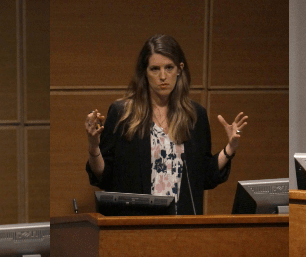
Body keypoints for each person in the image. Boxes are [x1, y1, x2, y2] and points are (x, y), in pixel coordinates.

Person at [85, 34, 248, 215]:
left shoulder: (194, 116)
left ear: (179, 69)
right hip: (135, 227)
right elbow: (104, 176)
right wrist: (93, 146)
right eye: (155, 69)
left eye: (169, 68)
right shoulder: (123, 114)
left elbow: (204, 176)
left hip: (181, 226)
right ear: (144, 72)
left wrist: (229, 149)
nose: (163, 76)